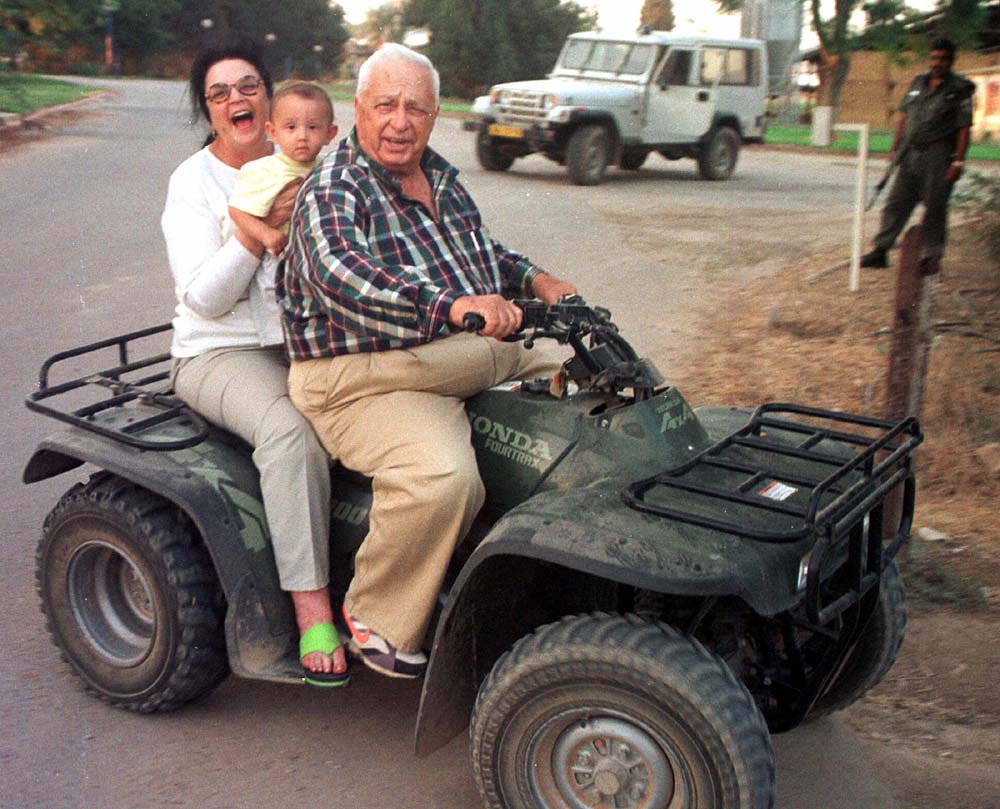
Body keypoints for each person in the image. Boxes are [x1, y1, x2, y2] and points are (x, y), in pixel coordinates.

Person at [279, 43, 577, 678]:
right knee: (444, 478)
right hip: (357, 378)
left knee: (576, 381)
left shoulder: (440, 178)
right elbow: (342, 277)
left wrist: (536, 278)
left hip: (445, 357)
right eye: (385, 105)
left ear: (435, 115)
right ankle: (376, 616)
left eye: (415, 108)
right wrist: (454, 306)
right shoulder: (334, 186)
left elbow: (482, 254)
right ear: (358, 109)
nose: (399, 121)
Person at [161, 38, 348, 688]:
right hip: (219, 352)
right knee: (291, 431)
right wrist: (253, 229)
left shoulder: (311, 160)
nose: (235, 99)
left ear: (270, 102)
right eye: (219, 93)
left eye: (248, 87)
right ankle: (312, 613)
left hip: (304, 341)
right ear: (209, 110)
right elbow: (205, 300)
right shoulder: (193, 182)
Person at [861, 37, 975, 269]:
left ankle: (931, 256)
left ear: (951, 61)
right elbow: (904, 117)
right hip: (911, 152)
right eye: (934, 58)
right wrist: (895, 147)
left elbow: (964, 128)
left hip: (938, 155)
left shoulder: (960, 89)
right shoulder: (918, 83)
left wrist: (958, 162)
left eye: (943, 59)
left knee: (935, 206)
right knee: (896, 202)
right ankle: (881, 250)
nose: (937, 63)